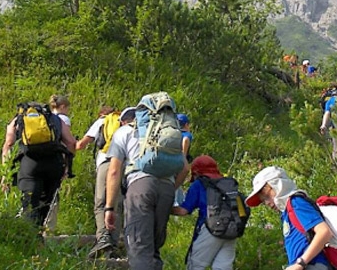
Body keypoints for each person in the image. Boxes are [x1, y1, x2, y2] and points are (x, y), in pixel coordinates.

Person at [105, 104, 190, 270]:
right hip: (166, 189)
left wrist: (109, 207)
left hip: (140, 187)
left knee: (139, 247)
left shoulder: (125, 131)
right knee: (153, 248)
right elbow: (185, 168)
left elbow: (114, 172)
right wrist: (171, 190)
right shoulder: (169, 133)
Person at [1, 102, 76, 229]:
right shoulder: (54, 119)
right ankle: (39, 233)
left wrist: (5, 174)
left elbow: (9, 143)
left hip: (30, 165)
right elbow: (71, 142)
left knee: (29, 205)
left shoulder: (18, 120)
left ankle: (29, 239)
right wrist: (67, 166)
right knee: (45, 204)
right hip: (54, 165)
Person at [76, 106, 136, 258]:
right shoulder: (136, 129)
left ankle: (103, 238)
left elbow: (83, 143)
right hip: (127, 166)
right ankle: (113, 244)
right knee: (118, 203)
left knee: (101, 202)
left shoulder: (102, 121)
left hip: (107, 162)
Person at [245, 166, 332, 270]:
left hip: (313, 265)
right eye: (263, 201)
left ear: (277, 185)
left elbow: (324, 232)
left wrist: (300, 263)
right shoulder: (287, 212)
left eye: (267, 196)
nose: (267, 203)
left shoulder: (296, 203)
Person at [172, 155, 237, 270]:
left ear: (196, 172)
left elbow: (183, 211)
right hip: (232, 230)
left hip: (210, 229)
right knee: (223, 268)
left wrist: (163, 208)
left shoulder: (199, 184)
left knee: (196, 265)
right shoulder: (227, 183)